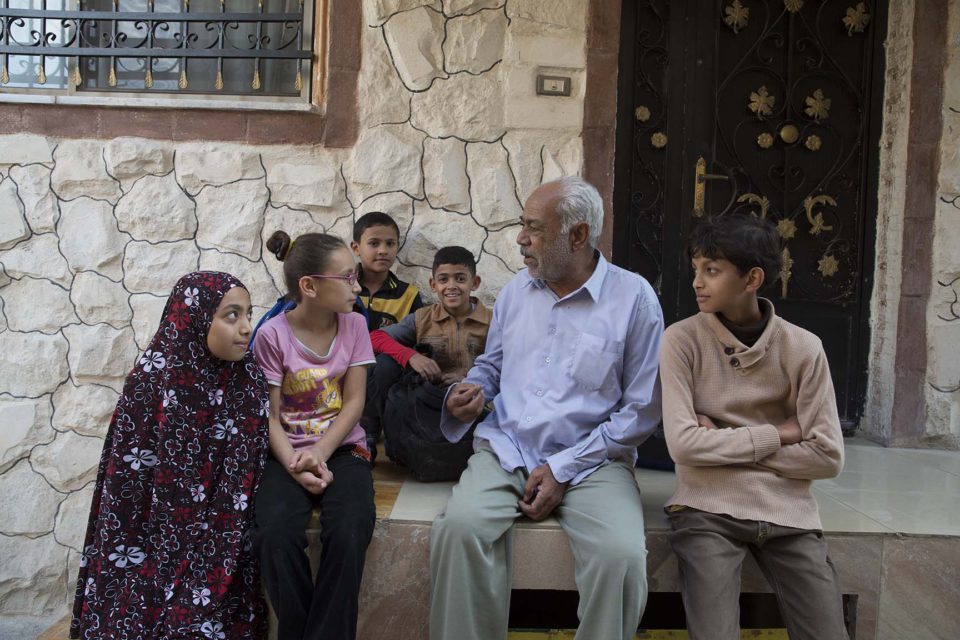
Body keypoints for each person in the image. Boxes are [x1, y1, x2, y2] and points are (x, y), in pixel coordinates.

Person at [430, 177, 664, 640]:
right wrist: (471, 390)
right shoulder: (518, 291)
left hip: (594, 460)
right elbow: (492, 366)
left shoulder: (634, 299)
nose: (520, 239)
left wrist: (562, 468)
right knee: (459, 531)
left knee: (620, 556)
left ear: (577, 235)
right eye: (522, 226)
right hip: (509, 446)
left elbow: (640, 410)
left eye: (533, 228)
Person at [659, 214, 847, 640]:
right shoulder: (681, 340)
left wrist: (719, 440)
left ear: (752, 278)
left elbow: (828, 456)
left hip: (789, 515)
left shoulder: (803, 347)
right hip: (706, 510)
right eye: (696, 269)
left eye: (712, 270)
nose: (697, 283)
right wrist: (778, 433)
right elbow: (684, 447)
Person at [71, 271, 269, 640]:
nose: (246, 328)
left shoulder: (248, 380)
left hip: (218, 541)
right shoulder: (150, 384)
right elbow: (124, 493)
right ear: (195, 317)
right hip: (147, 542)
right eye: (231, 315)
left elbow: (245, 475)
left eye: (248, 315)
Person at [251, 231, 376, 640]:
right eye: (348, 278)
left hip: (342, 448)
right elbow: (269, 416)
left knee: (350, 526)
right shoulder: (272, 335)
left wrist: (320, 453)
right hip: (284, 452)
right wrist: (293, 461)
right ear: (309, 285)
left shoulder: (355, 324)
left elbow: (354, 402)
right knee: (274, 532)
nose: (356, 287)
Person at [370, 245, 492, 479]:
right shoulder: (422, 318)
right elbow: (375, 338)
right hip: (430, 405)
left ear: (474, 283)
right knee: (383, 364)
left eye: (460, 279)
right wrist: (411, 356)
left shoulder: (492, 322)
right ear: (433, 284)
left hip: (476, 403)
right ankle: (377, 436)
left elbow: (509, 364)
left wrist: (468, 379)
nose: (451, 286)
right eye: (443, 279)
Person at [351, 211, 424, 460]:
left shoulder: (408, 294)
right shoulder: (343, 287)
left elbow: (414, 339)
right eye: (374, 243)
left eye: (390, 244)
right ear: (356, 247)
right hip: (345, 364)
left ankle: (369, 431)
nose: (383, 250)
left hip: (385, 370)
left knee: (383, 364)